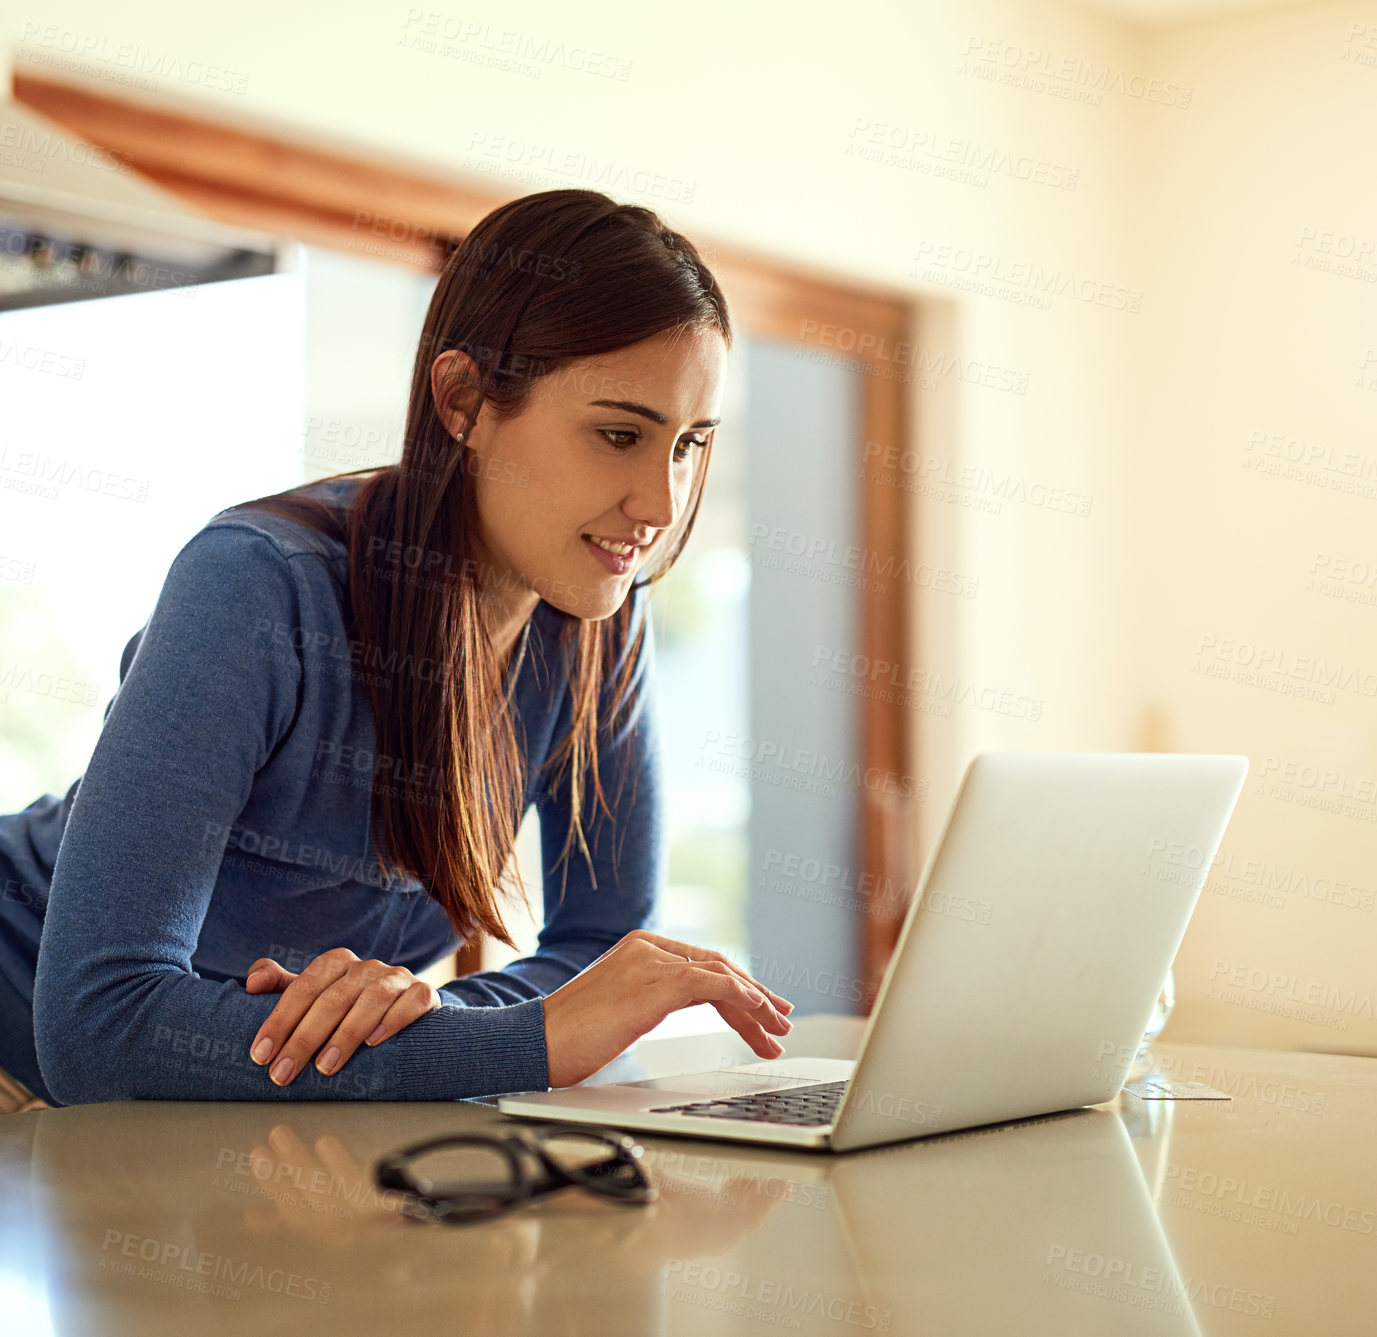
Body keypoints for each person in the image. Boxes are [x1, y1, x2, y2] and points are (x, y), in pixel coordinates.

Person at [0, 188, 792, 1110]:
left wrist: (436, 1019)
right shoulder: (255, 584)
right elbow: (101, 1024)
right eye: (619, 434)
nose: (659, 506)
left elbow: (605, 948)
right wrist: (525, 1038)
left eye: (689, 444)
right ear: (461, 399)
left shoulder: (600, 623)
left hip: (211, 1101)